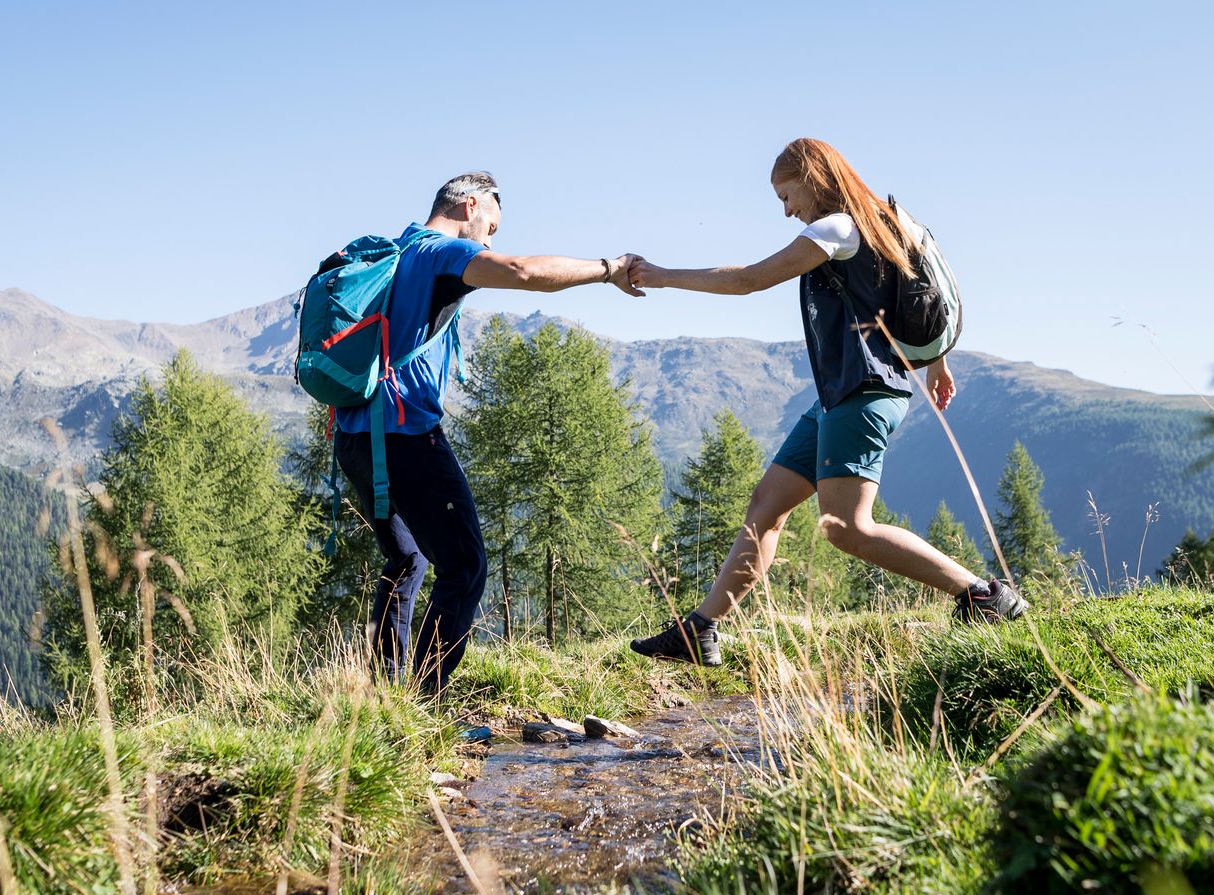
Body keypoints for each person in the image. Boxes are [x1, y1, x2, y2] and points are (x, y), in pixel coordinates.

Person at [625, 139, 1028, 667]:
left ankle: (982, 596)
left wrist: (661, 276)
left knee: (846, 528)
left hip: (863, 393)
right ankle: (699, 631)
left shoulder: (838, 227)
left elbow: (748, 280)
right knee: (766, 506)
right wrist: (937, 361)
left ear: (813, 178)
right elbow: (923, 293)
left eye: (786, 195)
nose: (786, 210)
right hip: (840, 395)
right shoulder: (884, 220)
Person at [333, 171, 642, 699]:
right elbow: (522, 272)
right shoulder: (438, 252)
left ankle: (386, 699)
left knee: (407, 559)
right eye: (491, 227)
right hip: (406, 438)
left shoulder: (392, 253)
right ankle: (426, 704)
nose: (490, 242)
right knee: (465, 568)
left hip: (355, 438)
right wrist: (607, 269)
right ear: (470, 205)